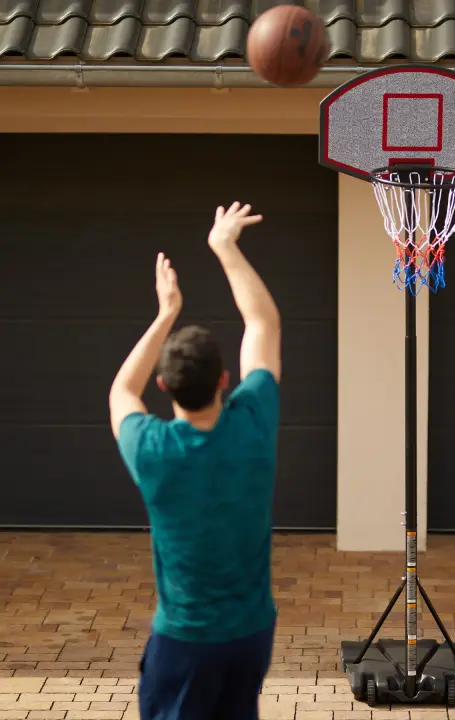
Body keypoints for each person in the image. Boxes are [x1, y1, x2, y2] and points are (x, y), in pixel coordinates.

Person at [108, 202, 281, 720]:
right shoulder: (253, 423)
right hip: (252, 634)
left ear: (164, 387)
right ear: (226, 379)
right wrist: (224, 247)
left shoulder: (151, 449)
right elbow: (263, 322)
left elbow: (121, 389)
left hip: (185, 642)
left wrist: (165, 313)